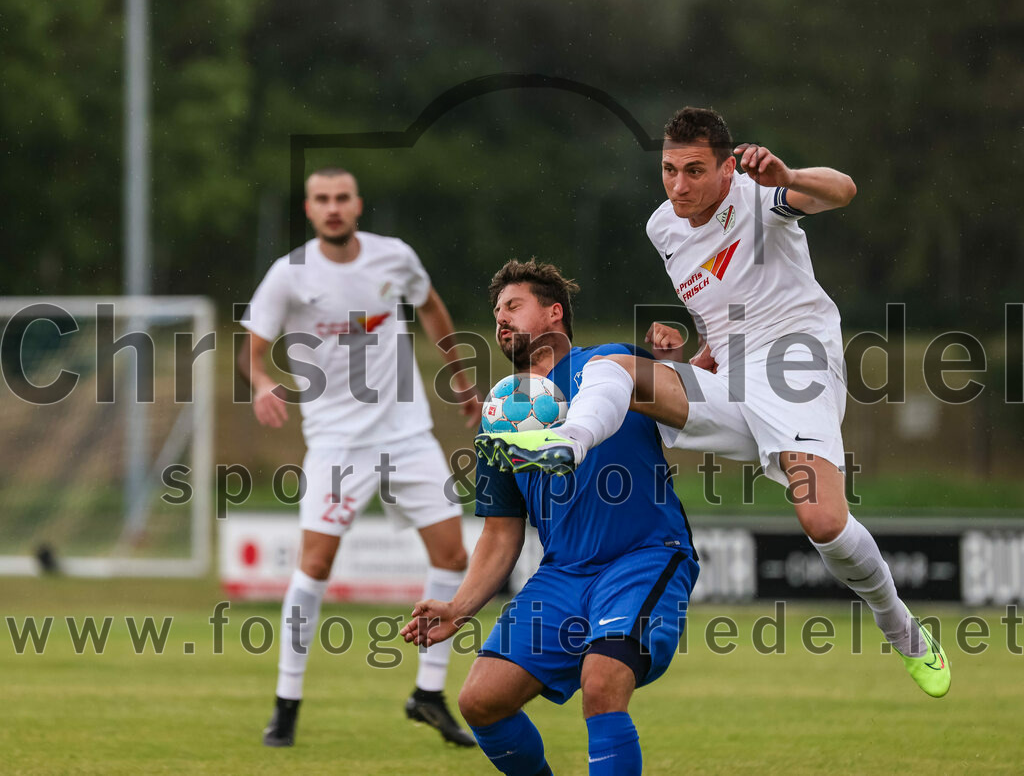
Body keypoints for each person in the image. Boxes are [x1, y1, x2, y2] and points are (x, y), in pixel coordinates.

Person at [476, 108, 950, 699]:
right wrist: (688, 359)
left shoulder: (759, 195)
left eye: (694, 171)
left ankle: (902, 630)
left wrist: (788, 174)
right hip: (733, 377)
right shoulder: (663, 228)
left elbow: (843, 191)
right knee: (612, 367)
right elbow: (724, 320)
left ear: (727, 168)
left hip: (795, 364)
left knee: (823, 521)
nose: (679, 186)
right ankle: (566, 442)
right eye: (669, 171)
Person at [401, 259, 699, 776]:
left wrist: (680, 364)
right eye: (496, 312)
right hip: (563, 574)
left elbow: (702, 403)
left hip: (644, 557)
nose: (501, 319)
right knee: (481, 702)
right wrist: (460, 608)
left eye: (514, 306)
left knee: (602, 683)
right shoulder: (499, 417)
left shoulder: (612, 364)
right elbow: (500, 532)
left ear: (554, 313)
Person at [238, 167, 481, 747]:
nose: (333, 207)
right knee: (315, 567)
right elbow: (253, 350)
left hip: (408, 433)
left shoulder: (394, 257)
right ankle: (287, 702)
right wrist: (260, 381)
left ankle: (427, 694)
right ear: (309, 209)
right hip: (337, 443)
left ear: (357, 205)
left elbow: (432, 308)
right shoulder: (288, 275)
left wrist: (461, 381)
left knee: (454, 556)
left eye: (342, 198)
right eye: (322, 199)